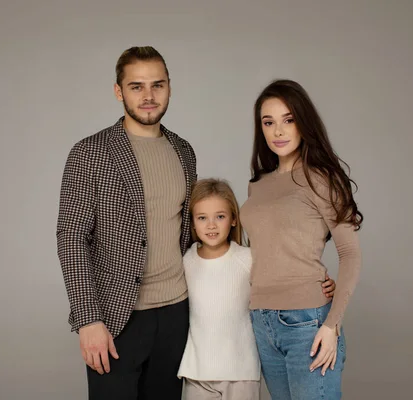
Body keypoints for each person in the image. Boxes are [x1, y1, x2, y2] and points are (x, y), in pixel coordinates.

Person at [56, 46, 197, 399]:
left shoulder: (184, 151)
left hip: (177, 314)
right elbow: (71, 236)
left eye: (157, 85)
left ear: (169, 87)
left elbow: (197, 233)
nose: (148, 96)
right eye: (136, 86)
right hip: (117, 317)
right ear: (119, 91)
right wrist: (88, 320)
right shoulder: (90, 152)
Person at [240, 79, 363, 400]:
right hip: (260, 321)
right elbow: (267, 250)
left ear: (303, 123)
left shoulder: (322, 178)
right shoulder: (258, 185)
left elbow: (350, 254)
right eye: (269, 122)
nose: (278, 131)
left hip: (308, 323)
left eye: (288, 120)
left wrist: (331, 325)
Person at [178, 179, 336, 400]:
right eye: (202, 218)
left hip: (242, 371)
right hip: (197, 372)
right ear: (193, 223)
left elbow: (285, 278)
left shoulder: (248, 259)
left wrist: (323, 283)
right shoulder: (186, 261)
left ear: (234, 219)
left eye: (220, 216)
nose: (211, 225)